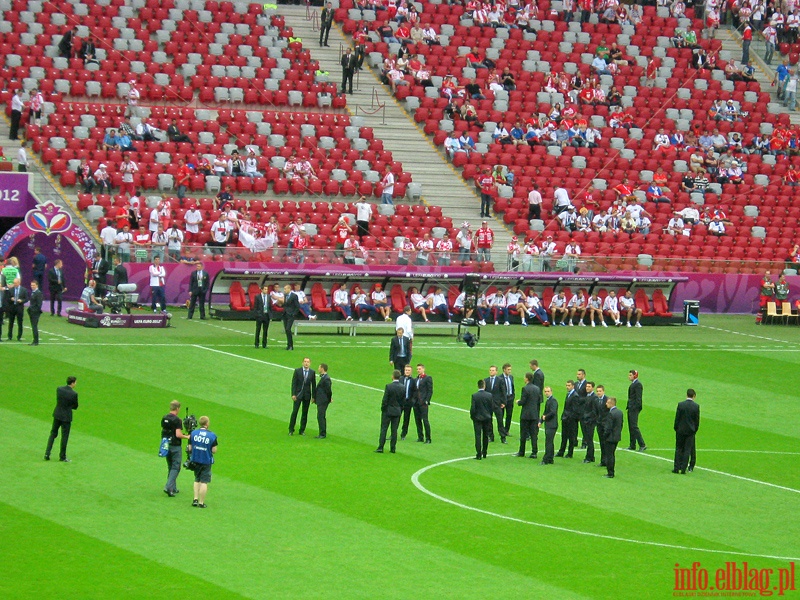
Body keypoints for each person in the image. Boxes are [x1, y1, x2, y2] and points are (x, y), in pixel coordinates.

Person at [161, 400, 191, 497]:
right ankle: (168, 487)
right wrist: (187, 436)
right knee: (176, 467)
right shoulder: (177, 420)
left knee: (170, 465)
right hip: (175, 445)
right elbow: (178, 434)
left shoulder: (164, 418)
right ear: (177, 408)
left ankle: (173, 487)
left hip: (165, 445)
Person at [44, 376, 78, 462]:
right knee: (64, 437)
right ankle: (62, 457)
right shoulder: (74, 394)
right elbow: (75, 406)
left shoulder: (59, 389)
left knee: (53, 434)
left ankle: (47, 453)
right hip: (66, 417)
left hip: (57, 414)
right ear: (73, 383)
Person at [188, 416, 218, 508]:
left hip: (195, 459)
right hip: (206, 460)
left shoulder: (193, 433)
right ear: (207, 423)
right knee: (204, 481)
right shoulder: (212, 435)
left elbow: (189, 448)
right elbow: (214, 450)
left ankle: (195, 499)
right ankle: (201, 502)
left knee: (197, 479)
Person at [514, 371, 542, 459]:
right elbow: (539, 401)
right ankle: (534, 452)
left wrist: (518, 402)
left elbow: (523, 401)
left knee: (523, 433)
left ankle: (521, 451)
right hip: (534, 415)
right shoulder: (537, 389)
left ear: (527, 378)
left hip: (526, 415)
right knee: (534, 435)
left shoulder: (525, 388)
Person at [375, 370, 404, 453]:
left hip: (388, 411)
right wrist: (400, 409)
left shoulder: (389, 386)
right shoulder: (403, 387)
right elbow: (403, 401)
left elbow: (385, 400)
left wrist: (383, 409)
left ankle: (381, 447)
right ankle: (393, 448)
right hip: (397, 411)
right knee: (394, 431)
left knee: (384, 429)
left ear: (392, 376)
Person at [673, 389, 700, 474]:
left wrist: (676, 428)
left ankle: (676, 468)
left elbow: (677, 418)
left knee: (678, 449)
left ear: (686, 395)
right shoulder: (696, 406)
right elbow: (697, 421)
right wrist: (694, 430)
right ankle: (684, 469)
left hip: (680, 430)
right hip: (690, 432)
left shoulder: (681, 405)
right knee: (687, 450)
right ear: (694, 396)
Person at [289, 357, 317, 436]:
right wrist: (293, 394)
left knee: (305, 413)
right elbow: (294, 383)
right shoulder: (297, 371)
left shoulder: (312, 372)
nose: (306, 363)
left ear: (310, 363)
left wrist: (314, 397)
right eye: (305, 361)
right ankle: (291, 429)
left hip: (307, 396)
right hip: (298, 395)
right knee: (295, 412)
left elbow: (313, 385)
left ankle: (302, 430)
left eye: (307, 362)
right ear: (302, 363)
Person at [470, 379, 494, 460]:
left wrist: (472, 417)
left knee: (478, 435)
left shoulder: (475, 395)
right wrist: (490, 416)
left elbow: (473, 409)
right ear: (484, 386)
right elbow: (491, 408)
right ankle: (485, 452)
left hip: (477, 418)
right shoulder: (489, 395)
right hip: (487, 418)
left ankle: (478, 454)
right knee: (485, 435)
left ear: (478, 386)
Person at [484, 365, 507, 443]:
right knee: (488, 421)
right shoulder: (486, 380)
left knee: (500, 421)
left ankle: (503, 437)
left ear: (496, 371)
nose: (491, 371)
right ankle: (491, 436)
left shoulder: (500, 380)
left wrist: (504, 402)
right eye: (490, 370)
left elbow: (503, 392)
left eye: (493, 370)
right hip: (488, 404)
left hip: (498, 404)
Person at [556, 380, 578, 458]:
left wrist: (568, 418)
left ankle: (570, 453)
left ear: (573, 386)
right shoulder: (568, 394)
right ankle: (561, 451)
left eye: (569, 385)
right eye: (566, 385)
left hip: (570, 420)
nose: (567, 387)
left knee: (571, 437)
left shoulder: (575, 396)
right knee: (564, 436)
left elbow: (574, 410)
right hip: (565, 418)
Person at [626, 369, 647, 451]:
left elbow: (638, 398)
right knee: (631, 426)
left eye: (630, 375)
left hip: (634, 408)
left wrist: (635, 408)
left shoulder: (638, 385)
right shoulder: (634, 384)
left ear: (635, 376)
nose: (629, 376)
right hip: (631, 407)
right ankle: (632, 445)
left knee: (634, 426)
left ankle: (642, 444)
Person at [538, 386, 559, 465]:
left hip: (552, 425)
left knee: (548, 442)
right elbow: (545, 412)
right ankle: (550, 458)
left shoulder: (553, 401)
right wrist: (541, 421)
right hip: (550, 424)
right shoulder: (549, 401)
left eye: (548, 391)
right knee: (550, 442)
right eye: (545, 391)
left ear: (551, 392)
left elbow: (552, 412)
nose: (546, 393)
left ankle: (546, 459)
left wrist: (545, 417)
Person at [603, 397, 623, 478]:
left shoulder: (611, 413)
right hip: (617, 437)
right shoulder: (620, 412)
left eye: (607, 403)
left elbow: (608, 427)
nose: (606, 404)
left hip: (610, 438)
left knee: (609, 455)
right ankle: (611, 472)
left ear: (611, 404)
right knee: (612, 454)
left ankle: (610, 473)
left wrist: (605, 435)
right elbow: (621, 425)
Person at [582, 381, 600, 463]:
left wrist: (587, 417)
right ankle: (590, 456)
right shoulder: (588, 396)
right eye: (586, 386)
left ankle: (589, 457)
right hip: (586, 421)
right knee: (587, 439)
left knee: (589, 439)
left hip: (590, 421)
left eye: (589, 387)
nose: (587, 388)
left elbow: (594, 411)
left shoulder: (594, 397)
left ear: (592, 388)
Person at [414, 363, 433, 443]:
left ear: (423, 369)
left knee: (425, 420)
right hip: (416, 403)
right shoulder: (416, 379)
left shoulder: (427, 378)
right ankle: (420, 437)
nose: (418, 370)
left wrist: (427, 400)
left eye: (420, 369)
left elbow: (430, 390)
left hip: (423, 403)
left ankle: (428, 438)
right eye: (417, 369)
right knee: (417, 420)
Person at [313, 363, 332, 438]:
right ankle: (322, 433)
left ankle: (322, 434)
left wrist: (329, 398)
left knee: (321, 416)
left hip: (323, 401)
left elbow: (328, 390)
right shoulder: (324, 377)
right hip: (321, 400)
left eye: (319, 367)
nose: (318, 368)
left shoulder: (326, 378)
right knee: (320, 416)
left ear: (322, 368)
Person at [252, 284, 271, 349]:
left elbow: (270, 307)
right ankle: (256, 344)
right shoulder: (257, 297)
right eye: (265, 289)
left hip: (266, 315)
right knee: (258, 330)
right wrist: (257, 315)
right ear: (262, 289)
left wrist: (270, 315)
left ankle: (264, 344)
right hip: (260, 315)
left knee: (265, 331)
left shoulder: (269, 297)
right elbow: (255, 307)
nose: (266, 290)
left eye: (267, 289)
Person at [282, 283, 300, 351]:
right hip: (285, 314)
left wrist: (293, 314)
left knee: (288, 329)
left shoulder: (294, 296)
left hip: (290, 315)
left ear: (289, 289)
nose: (284, 290)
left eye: (285, 289)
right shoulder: (285, 296)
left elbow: (297, 306)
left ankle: (291, 346)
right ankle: (288, 345)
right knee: (286, 330)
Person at [501, 362, 515, 436]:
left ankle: (506, 430)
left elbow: (512, 388)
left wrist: (512, 397)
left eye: (510, 369)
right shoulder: (500, 378)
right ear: (504, 370)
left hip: (510, 398)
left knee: (509, 415)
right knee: (501, 415)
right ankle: (501, 430)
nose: (509, 371)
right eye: (508, 369)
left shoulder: (511, 377)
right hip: (503, 400)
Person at [27, 280, 42, 346]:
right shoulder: (33, 292)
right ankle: (35, 340)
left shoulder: (38, 293)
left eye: (33, 285)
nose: (32, 286)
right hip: (32, 312)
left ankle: (36, 341)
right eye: (31, 285)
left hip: (35, 313)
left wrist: (33, 310)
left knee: (34, 326)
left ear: (37, 285)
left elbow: (39, 304)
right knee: (33, 326)